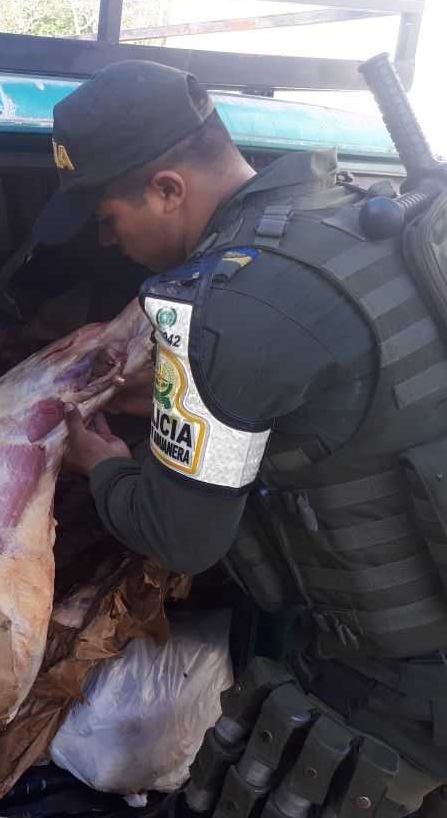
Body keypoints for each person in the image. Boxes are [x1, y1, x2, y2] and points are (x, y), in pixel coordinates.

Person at [35, 60, 447, 817]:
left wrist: (104, 467)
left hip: (401, 687)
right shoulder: (356, 214)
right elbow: (340, 397)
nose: (107, 242)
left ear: (168, 189)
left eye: (107, 219)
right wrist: (174, 403)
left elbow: (181, 538)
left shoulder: (224, 305)